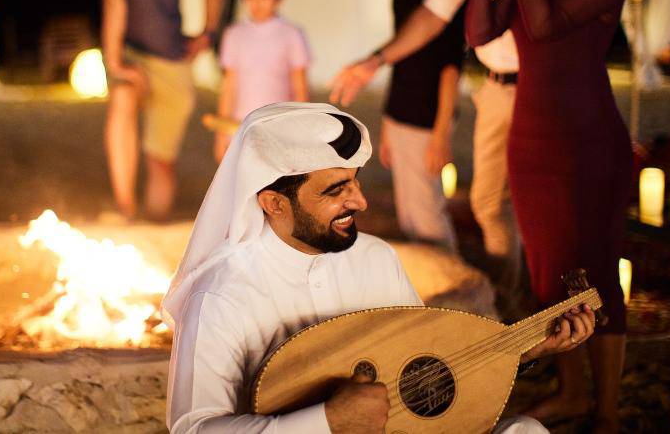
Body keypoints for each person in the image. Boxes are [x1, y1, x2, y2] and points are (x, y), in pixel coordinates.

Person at [163, 102, 597, 433]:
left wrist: (524, 350)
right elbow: (192, 428)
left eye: (356, 182)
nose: (360, 202)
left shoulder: (376, 258)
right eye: (336, 190)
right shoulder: (221, 294)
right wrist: (326, 422)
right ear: (273, 203)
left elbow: (424, 373)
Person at [330, 0, 558, 320]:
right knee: (484, 203)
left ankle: (517, 305)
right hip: (485, 88)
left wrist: (441, 132)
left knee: (540, 206)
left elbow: (452, 61)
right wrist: (376, 62)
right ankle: (498, 305)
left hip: (545, 83)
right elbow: (433, 21)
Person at [464, 0, 629, 431]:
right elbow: (480, 32)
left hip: (589, 144)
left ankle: (605, 411)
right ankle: (572, 392)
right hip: (530, 143)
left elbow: (544, 25)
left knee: (596, 271)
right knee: (548, 273)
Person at [98, 0, 224, 221]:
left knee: (160, 160)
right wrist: (115, 62)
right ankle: (125, 207)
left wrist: (207, 33)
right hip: (130, 51)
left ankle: (154, 221)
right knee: (123, 97)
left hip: (172, 58)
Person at [370, 0, 464, 252]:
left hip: (426, 118)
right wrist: (386, 125)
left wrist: (441, 133)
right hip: (400, 113)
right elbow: (399, 63)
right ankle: (427, 295)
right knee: (408, 212)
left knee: (428, 213)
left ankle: (453, 288)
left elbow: (450, 68)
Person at [214, 0, 311, 162]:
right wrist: (221, 133)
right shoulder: (234, 34)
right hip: (240, 127)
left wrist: (302, 130)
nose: (257, 4)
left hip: (280, 128)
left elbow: (299, 86)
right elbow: (229, 85)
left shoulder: (291, 34)